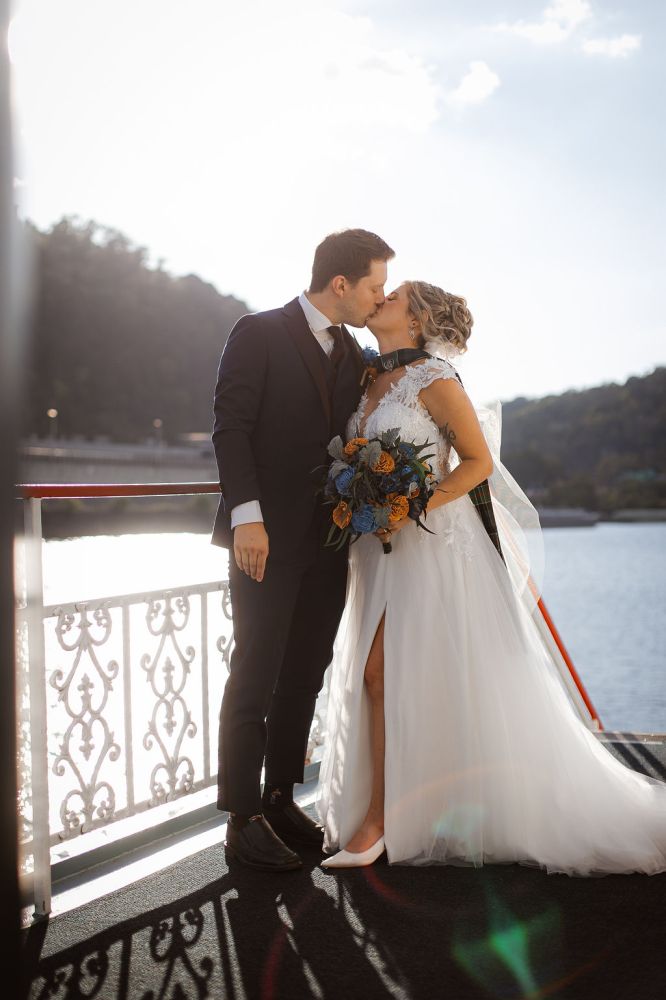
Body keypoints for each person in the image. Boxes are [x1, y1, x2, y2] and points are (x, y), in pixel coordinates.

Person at [316, 279, 666, 874]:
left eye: (394, 296)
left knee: (382, 673)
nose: (381, 300)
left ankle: (379, 824)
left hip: (432, 547)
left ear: (419, 319)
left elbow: (476, 463)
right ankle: (418, 810)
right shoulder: (369, 378)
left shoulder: (437, 379)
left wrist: (415, 505)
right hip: (376, 551)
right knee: (398, 677)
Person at [211, 228, 395, 871]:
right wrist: (246, 519)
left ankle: (280, 794)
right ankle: (240, 819)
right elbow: (230, 428)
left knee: (304, 675)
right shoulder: (257, 332)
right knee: (255, 672)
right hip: (264, 539)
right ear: (340, 284)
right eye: (375, 286)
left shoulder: (354, 352)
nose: (380, 298)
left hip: (329, 540)